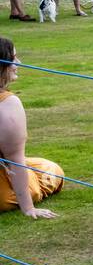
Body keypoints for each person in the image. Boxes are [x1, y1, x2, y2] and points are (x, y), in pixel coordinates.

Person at [0, 44, 61, 218]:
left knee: (46, 166)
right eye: (13, 59)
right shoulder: (8, 104)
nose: (18, 63)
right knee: (52, 173)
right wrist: (28, 208)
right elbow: (15, 160)